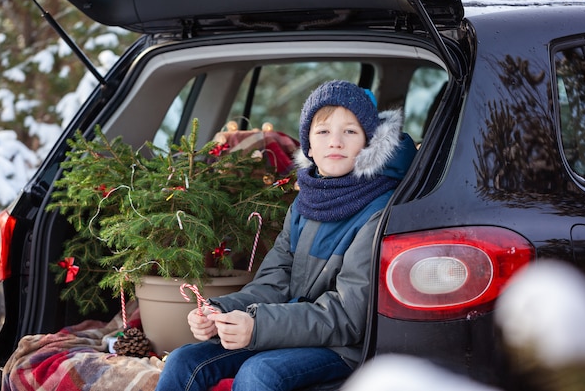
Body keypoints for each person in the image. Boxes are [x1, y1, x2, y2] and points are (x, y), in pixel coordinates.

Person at [155, 80, 417, 391]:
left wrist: (259, 326)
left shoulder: (378, 211)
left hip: (344, 349)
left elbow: (347, 316)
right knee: (184, 360)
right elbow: (273, 281)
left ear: (369, 142)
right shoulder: (306, 202)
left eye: (350, 131)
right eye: (323, 132)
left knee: (260, 373)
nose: (335, 142)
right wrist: (222, 310)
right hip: (287, 331)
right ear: (309, 143)